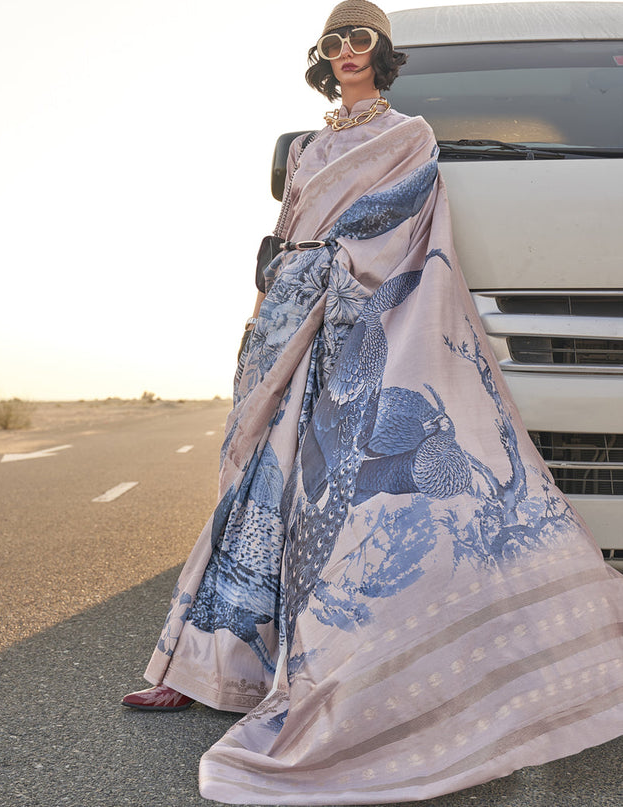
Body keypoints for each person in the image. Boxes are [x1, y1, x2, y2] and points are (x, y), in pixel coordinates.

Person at [123, 1, 623, 802]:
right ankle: (201, 665)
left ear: (381, 55)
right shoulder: (314, 145)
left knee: (344, 504)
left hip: (355, 328)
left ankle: (352, 666)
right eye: (334, 42)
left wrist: (329, 273)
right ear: (322, 58)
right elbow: (287, 234)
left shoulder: (410, 135)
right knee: (257, 486)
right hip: (289, 325)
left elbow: (400, 233)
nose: (347, 50)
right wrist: (268, 308)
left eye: (360, 39)